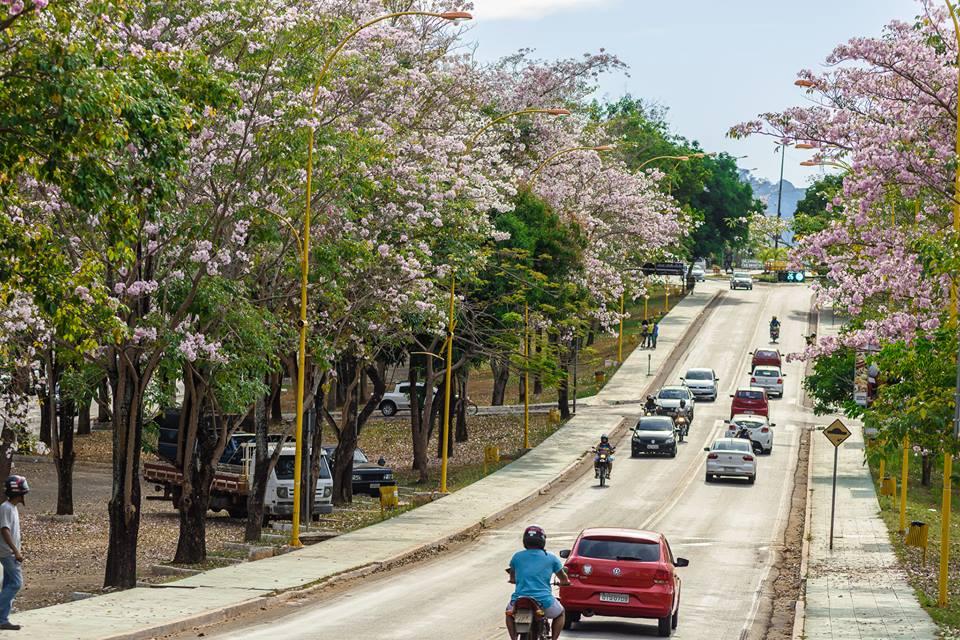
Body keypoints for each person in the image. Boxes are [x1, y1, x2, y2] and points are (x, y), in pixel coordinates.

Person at [506, 525, 570, 640]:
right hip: (544, 601)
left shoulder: (517, 557)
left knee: (509, 614)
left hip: (519, 600)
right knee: (560, 613)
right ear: (542, 541)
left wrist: (513, 580)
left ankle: (513, 638)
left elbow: (512, 576)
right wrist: (565, 582)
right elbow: (563, 578)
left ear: (525, 541)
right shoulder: (551, 558)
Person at [0, 475, 27, 631]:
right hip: (8, 553)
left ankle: (3, 619)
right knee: (16, 583)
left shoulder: (12, 508)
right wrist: (16, 551)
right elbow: (5, 530)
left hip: (11, 552)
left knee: (9, 585)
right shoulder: (5, 508)